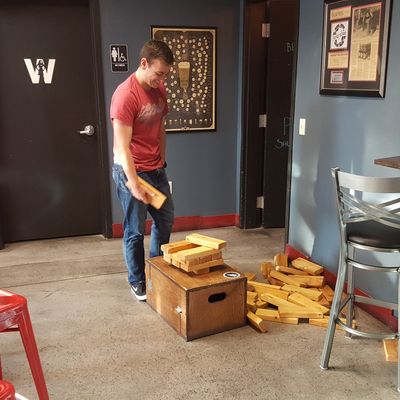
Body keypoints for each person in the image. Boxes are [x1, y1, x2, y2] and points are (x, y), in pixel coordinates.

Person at [110, 40, 175, 301]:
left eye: (165, 75)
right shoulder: (126, 95)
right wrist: (134, 182)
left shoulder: (159, 90)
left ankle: (156, 271)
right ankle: (137, 280)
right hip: (132, 172)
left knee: (165, 220)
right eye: (158, 74)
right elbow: (122, 146)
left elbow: (161, 126)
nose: (161, 80)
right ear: (144, 63)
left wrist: (162, 160)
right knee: (135, 231)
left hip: (156, 170)